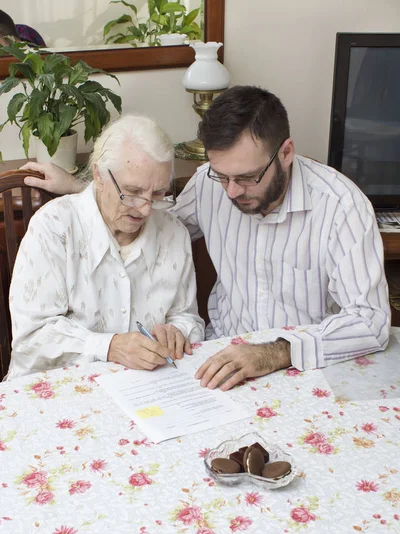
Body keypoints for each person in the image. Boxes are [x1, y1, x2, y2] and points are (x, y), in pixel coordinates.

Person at [21, 86, 391, 391]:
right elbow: (147, 216)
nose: (231, 192)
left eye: (246, 178)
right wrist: (81, 189)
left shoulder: (340, 206)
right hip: (218, 364)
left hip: (303, 367)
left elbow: (371, 321)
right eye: (221, 175)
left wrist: (273, 353)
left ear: (286, 153)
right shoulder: (207, 187)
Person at [7, 115, 204, 379]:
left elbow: (187, 317)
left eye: (158, 194)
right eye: (132, 192)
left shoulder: (173, 233)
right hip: (57, 391)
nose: (145, 209)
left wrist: (177, 332)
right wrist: (110, 346)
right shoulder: (54, 227)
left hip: (142, 390)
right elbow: (31, 339)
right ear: (99, 175)